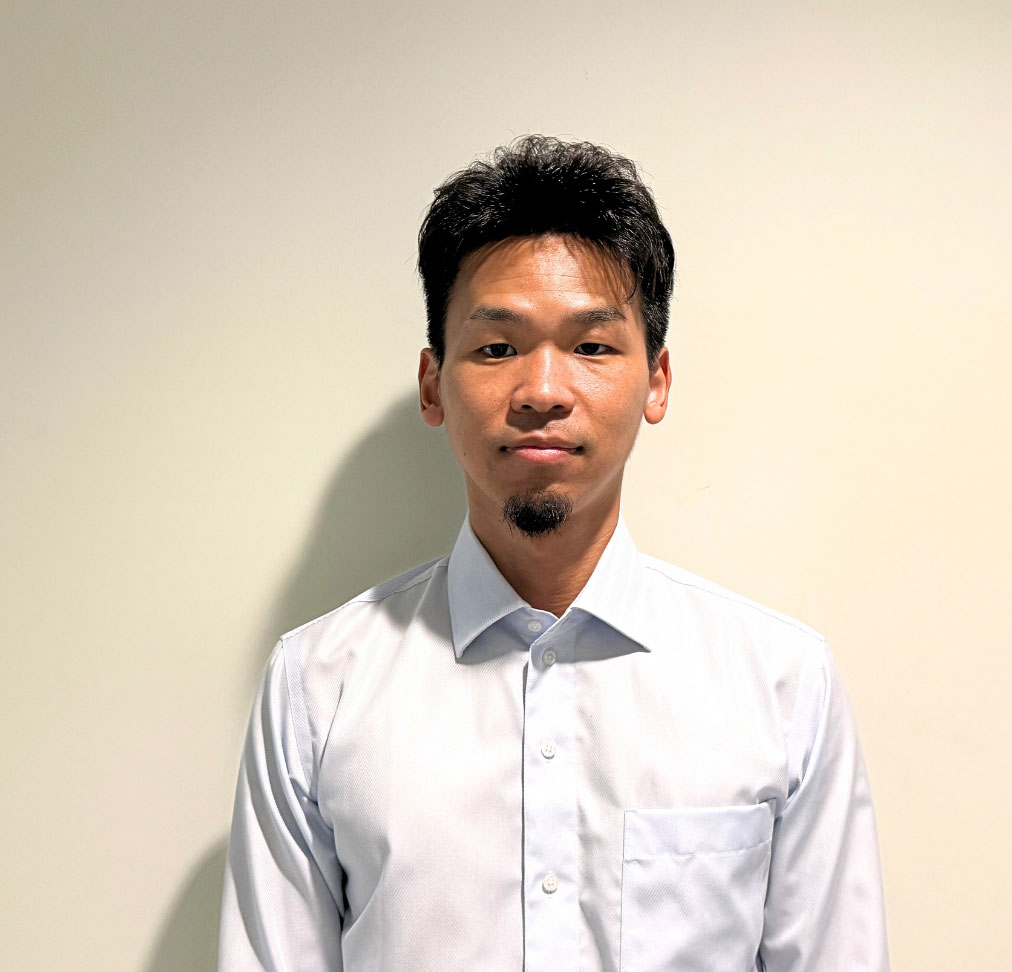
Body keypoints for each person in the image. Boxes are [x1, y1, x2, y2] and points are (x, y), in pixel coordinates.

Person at [218, 135, 890, 971]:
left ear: (657, 381)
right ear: (433, 383)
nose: (541, 390)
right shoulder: (317, 687)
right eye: (497, 348)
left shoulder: (782, 683)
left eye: (592, 346)